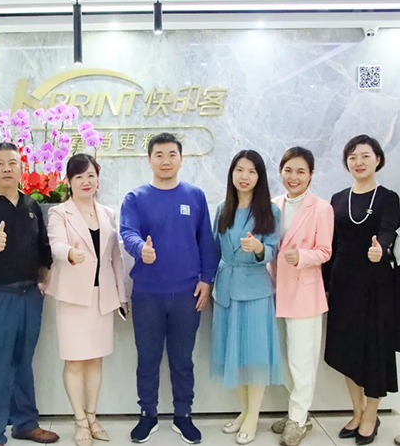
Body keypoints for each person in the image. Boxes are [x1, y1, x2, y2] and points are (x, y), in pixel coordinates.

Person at [120, 132, 218, 445]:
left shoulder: (195, 196)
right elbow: (128, 232)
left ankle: (183, 415)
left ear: (181, 159)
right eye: (159, 155)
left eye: (172, 154)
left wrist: (206, 280)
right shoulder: (135, 198)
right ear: (149, 160)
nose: (166, 161)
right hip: (147, 293)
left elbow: (206, 242)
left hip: (187, 293)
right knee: (147, 358)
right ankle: (147, 414)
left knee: (182, 359)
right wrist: (141, 249)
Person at [0, 142, 59, 446]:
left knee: (23, 363)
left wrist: (44, 275)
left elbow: (43, 248)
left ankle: (25, 424)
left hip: (30, 297)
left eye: (13, 163)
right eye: (0, 163)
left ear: (21, 168)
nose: (7, 168)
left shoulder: (31, 206)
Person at [46, 153, 128, 446]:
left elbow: (116, 258)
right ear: (68, 181)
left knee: (95, 360)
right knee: (75, 361)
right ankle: (80, 420)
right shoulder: (59, 213)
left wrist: (121, 296)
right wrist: (70, 253)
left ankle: (93, 417)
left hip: (101, 297)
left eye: (91, 175)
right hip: (72, 297)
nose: (86, 181)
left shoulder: (107, 214)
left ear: (98, 179)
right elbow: (55, 243)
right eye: (79, 176)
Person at [323, 134, 400, 446]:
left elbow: (388, 231)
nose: (358, 162)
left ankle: (371, 414)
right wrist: (325, 284)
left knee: (374, 350)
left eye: (365, 156)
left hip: (375, 284)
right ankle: (357, 412)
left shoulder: (388, 198)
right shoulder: (338, 199)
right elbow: (331, 244)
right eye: (352, 157)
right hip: (343, 284)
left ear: (378, 160)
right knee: (347, 350)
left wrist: (381, 248)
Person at [211, 150, 282, 445]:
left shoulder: (270, 211)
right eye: (239, 170)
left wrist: (259, 249)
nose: (244, 176)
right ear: (232, 173)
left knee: (255, 357)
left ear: (259, 177)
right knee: (233, 356)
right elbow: (213, 249)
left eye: (252, 171)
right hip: (226, 289)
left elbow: (273, 249)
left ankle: (253, 416)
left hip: (255, 291)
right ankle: (244, 411)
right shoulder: (222, 208)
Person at [270, 147, 334, 446]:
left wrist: (302, 256)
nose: (293, 177)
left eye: (300, 171)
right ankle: (299, 412)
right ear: (281, 172)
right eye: (288, 170)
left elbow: (325, 250)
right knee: (283, 358)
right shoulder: (273, 205)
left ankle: (297, 419)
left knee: (301, 360)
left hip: (304, 292)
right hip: (275, 289)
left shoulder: (321, 208)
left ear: (311, 175)